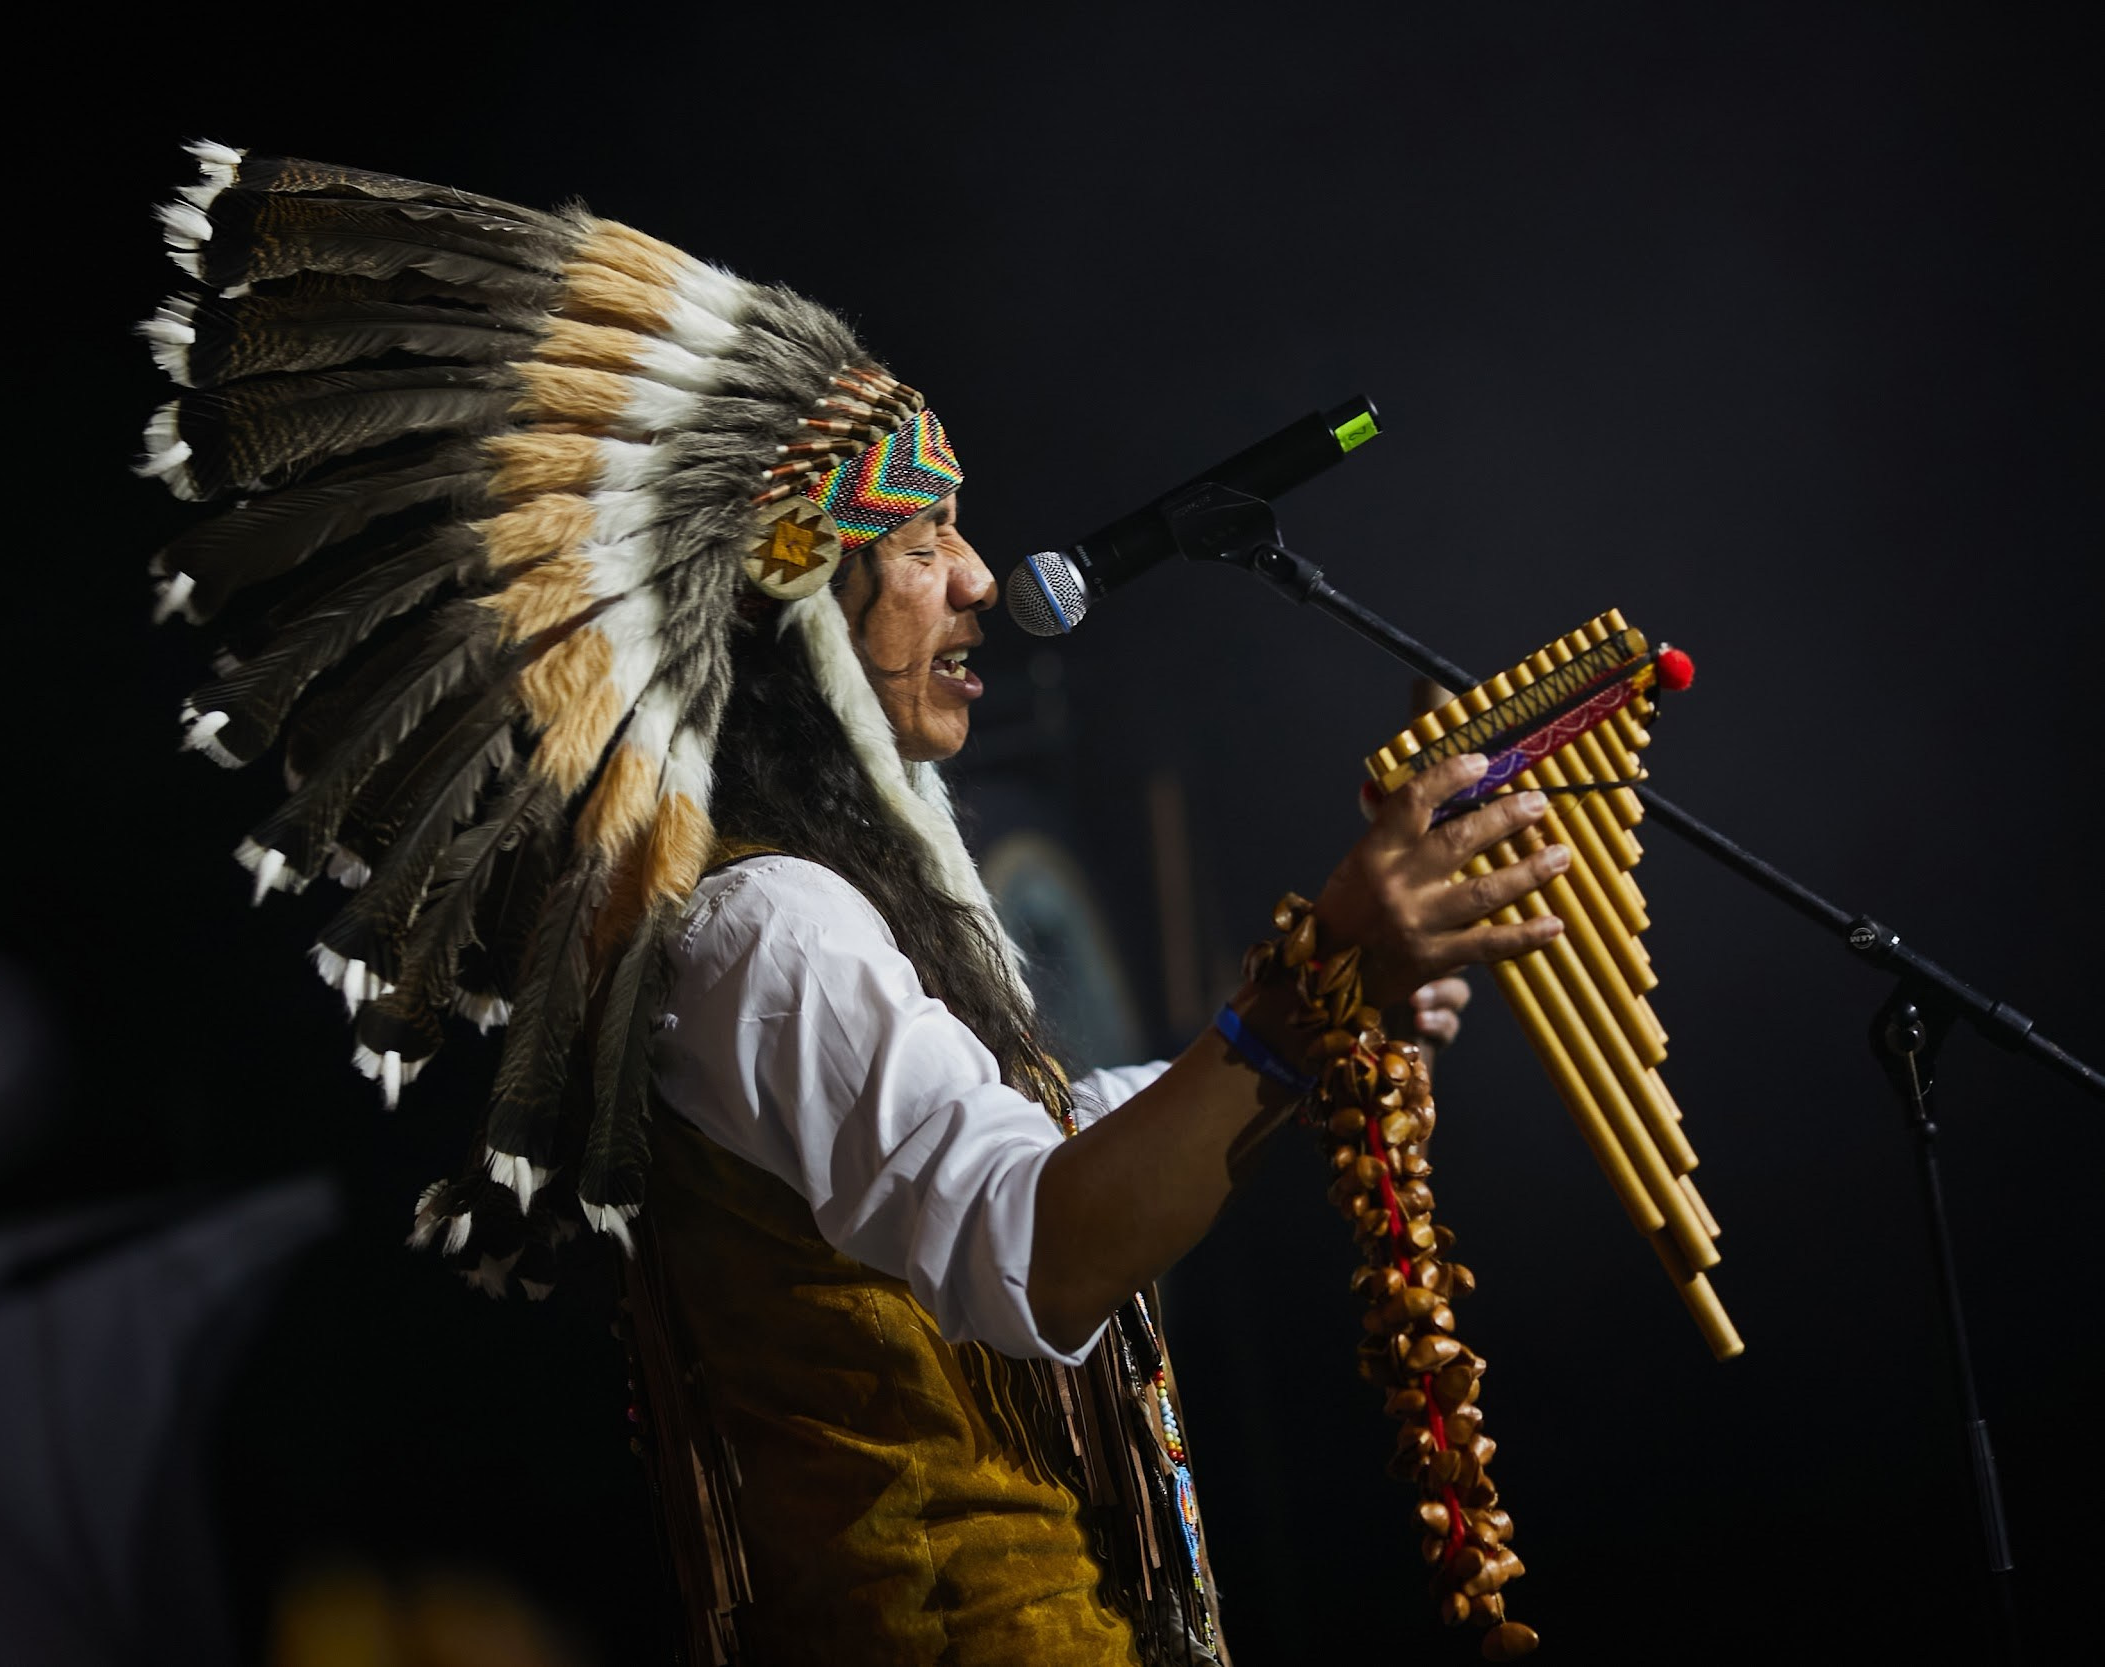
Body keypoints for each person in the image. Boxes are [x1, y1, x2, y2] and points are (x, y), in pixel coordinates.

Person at [136, 143, 1565, 1665]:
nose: (982, 579)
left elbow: (1043, 1163)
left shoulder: (806, 909)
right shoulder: (765, 927)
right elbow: (1038, 1248)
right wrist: (1302, 987)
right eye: (926, 537)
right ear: (797, 593)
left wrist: (1323, 1024)